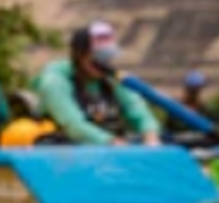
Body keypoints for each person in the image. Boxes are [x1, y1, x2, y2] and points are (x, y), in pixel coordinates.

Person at [30, 21, 162, 146]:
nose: (104, 62)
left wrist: (151, 136)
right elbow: (74, 126)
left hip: (106, 152)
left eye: (107, 56)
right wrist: (113, 143)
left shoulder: (112, 79)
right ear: (79, 54)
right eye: (98, 56)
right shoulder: (55, 81)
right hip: (62, 155)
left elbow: (137, 110)